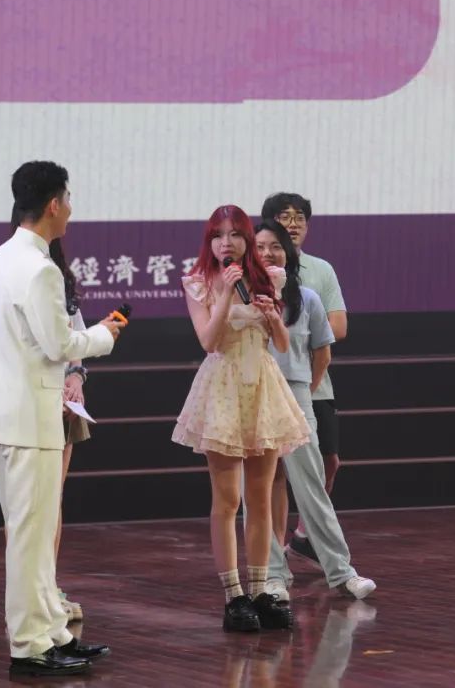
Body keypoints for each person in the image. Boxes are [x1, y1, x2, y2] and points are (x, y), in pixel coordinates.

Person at [0, 161, 121, 677]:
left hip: (5, 415)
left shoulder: (0, 258)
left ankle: (52, 633)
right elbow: (59, 344)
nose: (71, 210)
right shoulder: (39, 268)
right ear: (54, 204)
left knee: (33, 534)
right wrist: (103, 335)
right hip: (28, 419)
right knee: (31, 537)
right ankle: (30, 645)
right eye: (69, 199)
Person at [171, 204, 309, 632]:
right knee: (227, 500)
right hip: (223, 388)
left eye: (234, 235)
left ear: (247, 239)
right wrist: (227, 293)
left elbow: (281, 344)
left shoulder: (270, 278)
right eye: (218, 235)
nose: (225, 243)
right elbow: (209, 341)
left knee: (261, 498)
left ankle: (262, 590)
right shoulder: (199, 282)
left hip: (262, 386)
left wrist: (272, 317)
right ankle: (233, 596)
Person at [253, 221, 376, 601]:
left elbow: (322, 353)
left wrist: (303, 388)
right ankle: (272, 574)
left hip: (296, 396)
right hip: (253, 398)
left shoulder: (307, 298)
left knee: (312, 489)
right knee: (257, 492)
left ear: (288, 253)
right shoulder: (240, 298)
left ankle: (342, 572)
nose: (269, 253)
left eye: (276, 246)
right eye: (260, 246)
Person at [261, 193, 346, 566]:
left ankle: (306, 537)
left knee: (327, 461)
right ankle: (274, 553)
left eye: (300, 218)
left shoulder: (319, 272)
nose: (293, 224)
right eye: (285, 217)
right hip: (269, 387)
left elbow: (336, 327)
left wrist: (304, 330)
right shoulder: (251, 277)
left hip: (313, 385)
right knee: (275, 470)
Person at [48, 237, 92, 623]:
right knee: (29, 503)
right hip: (30, 404)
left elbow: (76, 339)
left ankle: (49, 585)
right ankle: (31, 592)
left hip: (65, 404)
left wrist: (76, 376)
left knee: (54, 498)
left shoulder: (62, 280)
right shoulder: (11, 272)